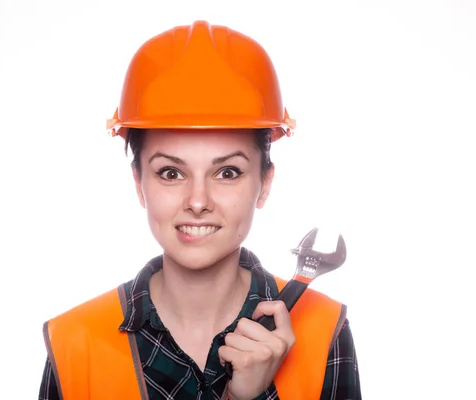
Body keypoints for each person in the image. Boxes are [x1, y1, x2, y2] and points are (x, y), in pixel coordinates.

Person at [38, 20, 361, 400]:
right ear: (139, 183)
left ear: (265, 183)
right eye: (171, 172)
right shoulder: (74, 343)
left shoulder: (323, 330)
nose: (197, 200)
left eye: (227, 172)